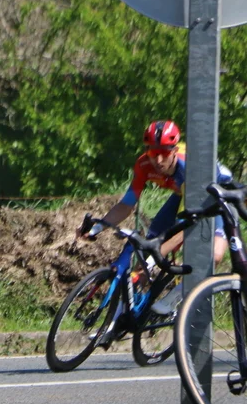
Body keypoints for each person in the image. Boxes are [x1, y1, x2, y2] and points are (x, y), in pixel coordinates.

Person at [77, 119, 234, 324]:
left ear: (174, 151)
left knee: (214, 254)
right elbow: (126, 205)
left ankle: (172, 300)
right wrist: (98, 227)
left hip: (216, 194)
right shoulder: (144, 164)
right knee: (147, 250)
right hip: (182, 194)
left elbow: (187, 227)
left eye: (164, 153)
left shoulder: (188, 168)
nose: (158, 160)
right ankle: (118, 320)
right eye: (153, 153)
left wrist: (156, 255)